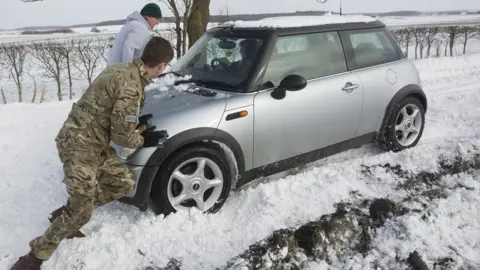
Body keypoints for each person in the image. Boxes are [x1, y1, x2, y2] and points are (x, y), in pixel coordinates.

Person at [10, 36, 174, 270]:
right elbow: (122, 137)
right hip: (79, 146)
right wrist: (143, 138)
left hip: (93, 143)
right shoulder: (131, 86)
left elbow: (113, 115)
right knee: (81, 212)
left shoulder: (122, 70)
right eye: (165, 67)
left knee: (123, 182)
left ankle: (66, 213)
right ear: (161, 65)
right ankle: (34, 257)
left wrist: (139, 123)